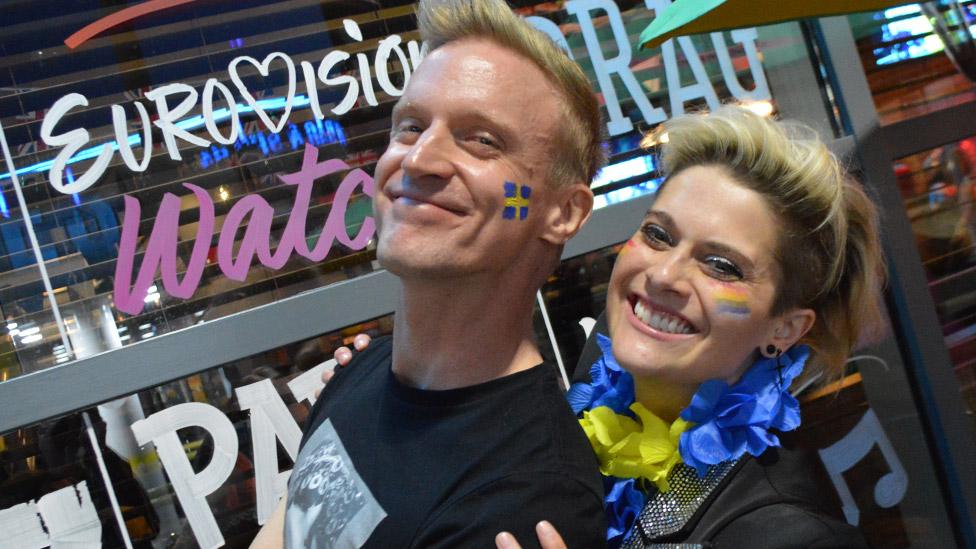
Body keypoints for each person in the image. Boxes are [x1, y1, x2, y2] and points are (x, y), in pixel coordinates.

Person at [337, 106, 883, 549]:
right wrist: (395, 396)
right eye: (659, 235)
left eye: (722, 267)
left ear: (785, 328)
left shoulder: (793, 536)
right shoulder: (598, 374)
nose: (664, 275)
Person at [251, 0, 608, 547]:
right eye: (411, 126)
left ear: (562, 212)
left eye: (482, 140)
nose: (417, 160)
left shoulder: (525, 503)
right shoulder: (358, 373)